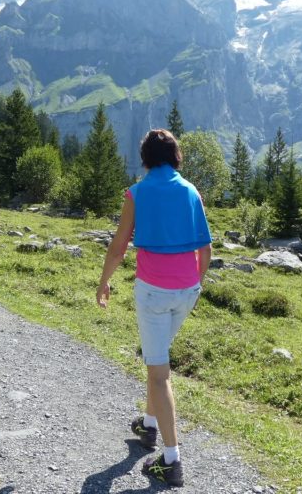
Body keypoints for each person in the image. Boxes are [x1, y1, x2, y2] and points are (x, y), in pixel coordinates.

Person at [96, 128, 211, 488]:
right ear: (176, 154)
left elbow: (118, 246)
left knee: (160, 373)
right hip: (186, 291)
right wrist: (196, 285)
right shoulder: (191, 191)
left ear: (145, 157)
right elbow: (205, 250)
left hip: (153, 293)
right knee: (154, 357)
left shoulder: (138, 192)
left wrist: (104, 280)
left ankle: (171, 459)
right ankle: (147, 426)